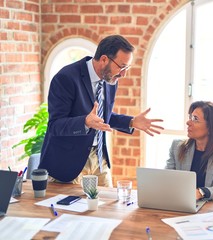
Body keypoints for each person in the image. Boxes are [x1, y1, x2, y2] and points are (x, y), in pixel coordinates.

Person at [39, 35, 164, 187]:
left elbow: (103, 117)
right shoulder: (66, 78)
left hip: (99, 159)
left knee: (109, 207)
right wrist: (85, 122)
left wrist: (131, 121)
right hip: (69, 163)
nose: (123, 74)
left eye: (127, 68)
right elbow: (55, 125)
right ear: (104, 59)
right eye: (122, 66)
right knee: (71, 210)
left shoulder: (111, 80)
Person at [165, 101, 213, 200]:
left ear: (211, 127)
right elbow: (166, 178)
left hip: (209, 209)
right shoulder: (177, 147)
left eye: (195, 119)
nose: (188, 122)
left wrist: (201, 192)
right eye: (190, 117)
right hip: (179, 204)